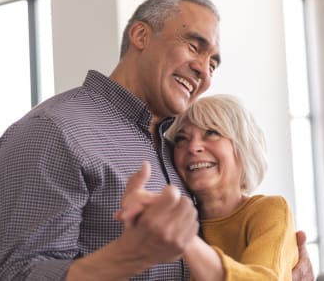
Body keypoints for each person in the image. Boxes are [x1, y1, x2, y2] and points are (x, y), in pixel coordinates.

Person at [0, 0, 314, 280]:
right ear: (141, 35)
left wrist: (281, 263)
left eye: (213, 63)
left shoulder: (173, 145)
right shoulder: (53, 130)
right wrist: (128, 256)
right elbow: (22, 274)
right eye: (193, 46)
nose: (204, 69)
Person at [119, 94, 299, 280]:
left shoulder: (269, 211)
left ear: (243, 146)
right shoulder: (180, 218)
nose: (193, 147)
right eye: (182, 139)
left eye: (212, 133)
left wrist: (184, 238)